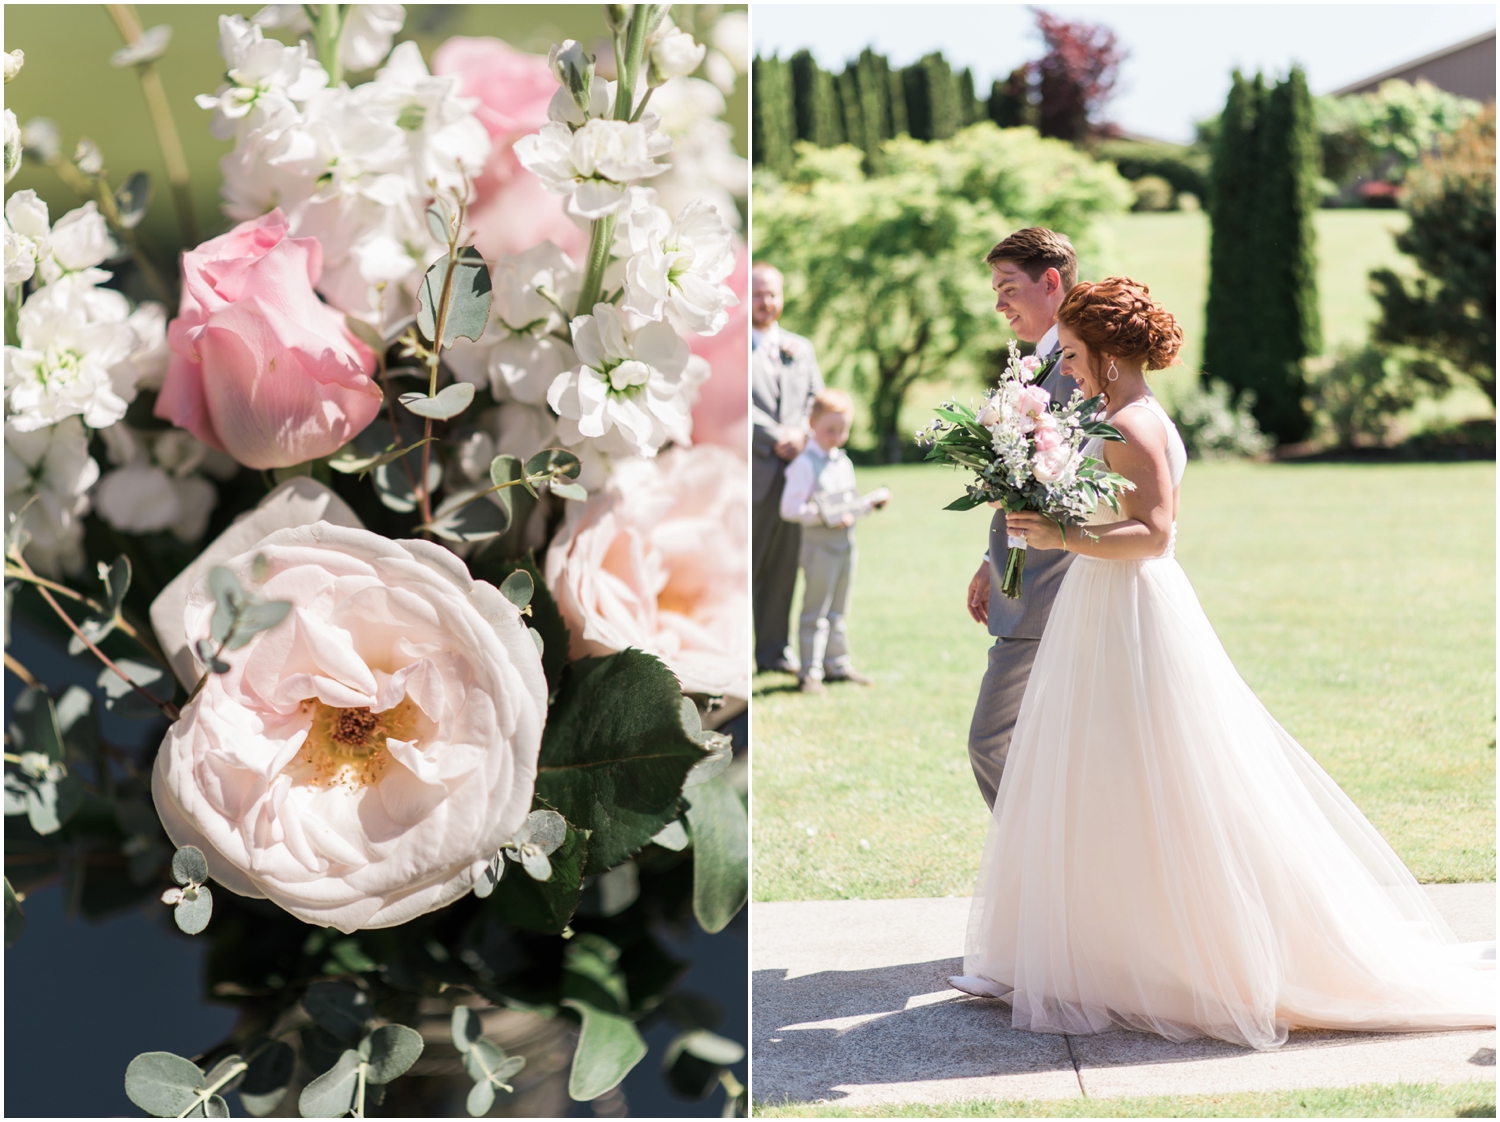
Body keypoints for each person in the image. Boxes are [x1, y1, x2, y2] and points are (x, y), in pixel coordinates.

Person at [950, 278, 1495, 1049]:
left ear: (1109, 355)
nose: (1064, 369)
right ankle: (1113, 944)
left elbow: (1156, 535)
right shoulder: (1110, 417)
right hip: (1099, 607)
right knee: (1106, 776)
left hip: (1130, 607)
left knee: (1161, 776)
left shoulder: (1132, 425)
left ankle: (1191, 952)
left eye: (1073, 354)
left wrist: (1058, 537)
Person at [965, 228, 1080, 809]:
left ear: (1051, 282)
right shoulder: (1037, 363)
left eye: (1009, 287)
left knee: (992, 741)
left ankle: (1036, 862)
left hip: (1053, 586)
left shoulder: (1081, 365)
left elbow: (1077, 477)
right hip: (1021, 576)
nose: (999, 303)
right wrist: (993, 559)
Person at [778, 389, 889, 694]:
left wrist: (869, 505)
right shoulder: (804, 464)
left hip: (845, 544)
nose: (837, 436)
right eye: (830, 429)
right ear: (812, 424)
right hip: (818, 546)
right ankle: (809, 673)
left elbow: (847, 505)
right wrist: (822, 516)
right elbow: (789, 509)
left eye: (843, 430)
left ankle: (837, 664)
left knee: (839, 609)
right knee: (815, 610)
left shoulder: (843, 462)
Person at [751, 262, 823, 674]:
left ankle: (774, 652)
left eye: (772, 293)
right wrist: (774, 435)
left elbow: (818, 399)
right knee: (749, 566)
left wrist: (800, 434)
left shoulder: (801, 348)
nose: (766, 301)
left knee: (784, 568)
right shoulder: (735, 349)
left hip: (796, 476)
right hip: (755, 474)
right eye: (759, 293)